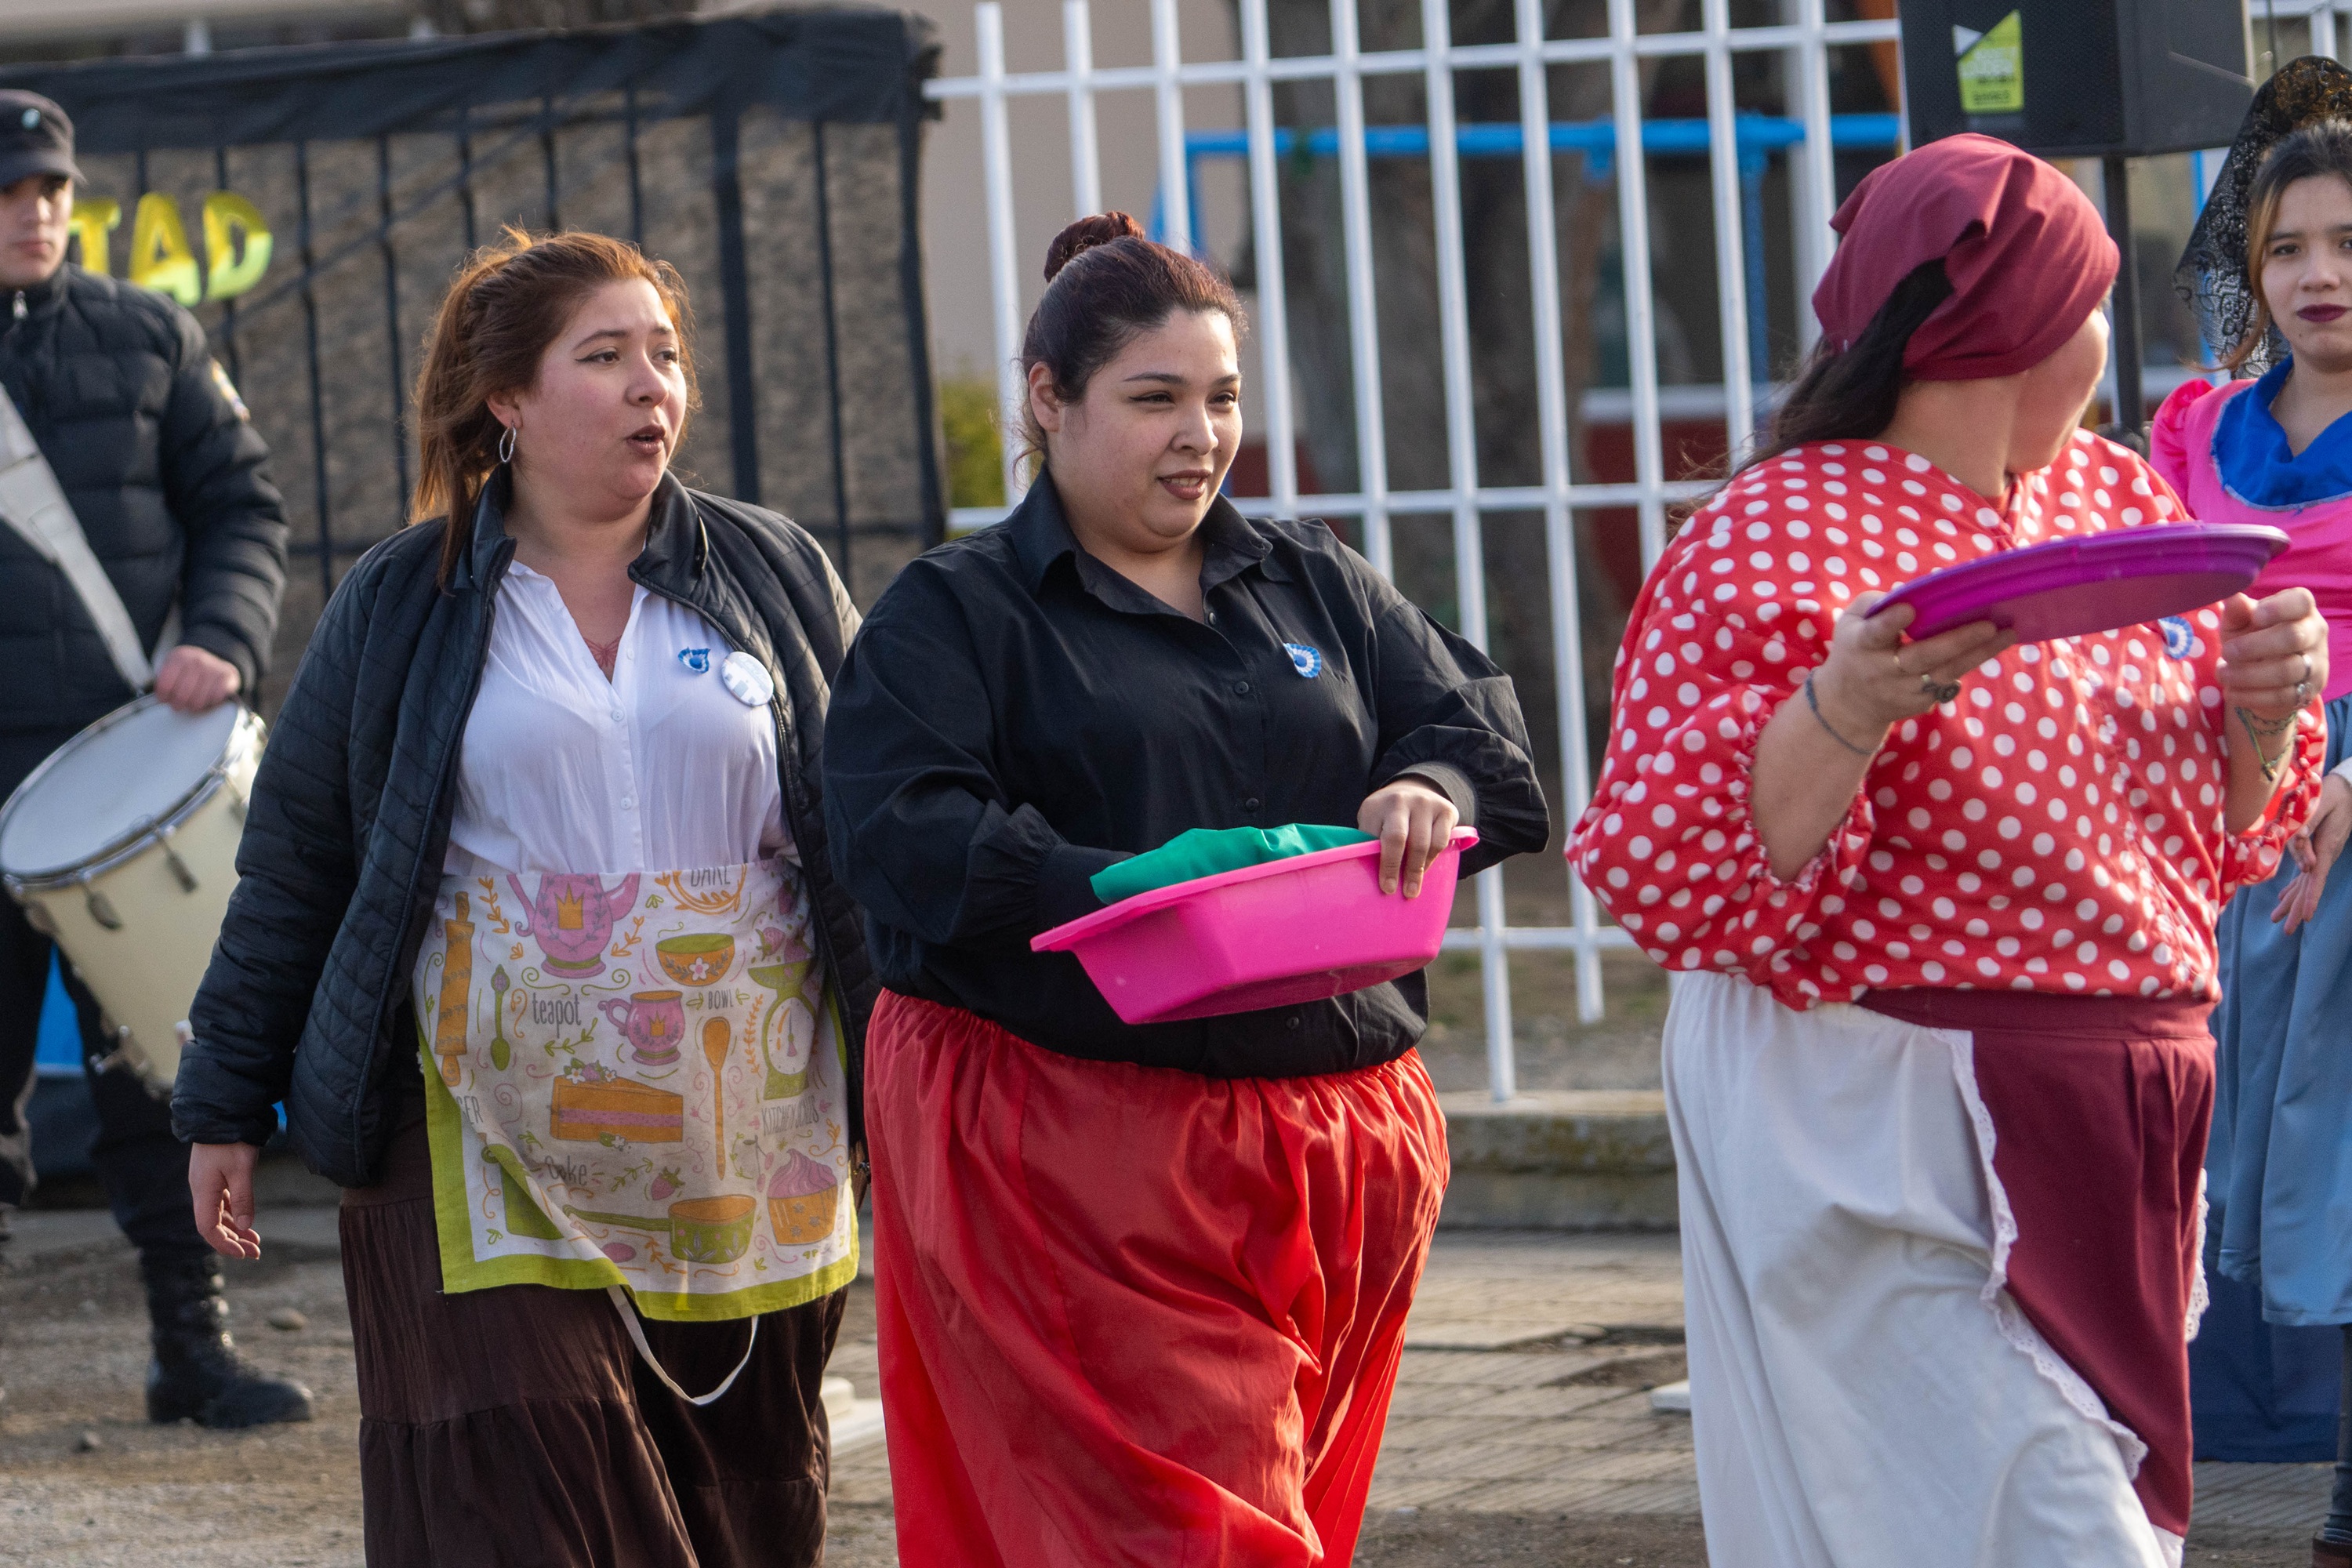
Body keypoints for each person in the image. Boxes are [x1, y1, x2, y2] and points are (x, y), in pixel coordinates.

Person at [1569, 133, 2331, 1566]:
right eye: (2092, 301)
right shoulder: (1769, 534)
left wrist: (2264, 714)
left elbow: (2220, 837)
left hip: (2125, 1111)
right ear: (2021, 326)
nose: (2109, 344)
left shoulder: (2111, 501)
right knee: (2049, 1532)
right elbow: (1686, 876)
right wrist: (1843, 701)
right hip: (1902, 1126)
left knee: (2084, 1519)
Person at [822, 211, 1549, 1566]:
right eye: (1153, 399)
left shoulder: (1310, 575)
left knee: (1287, 1510)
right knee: (1186, 1530)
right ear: (1049, 401)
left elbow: (1489, 750)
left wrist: (1429, 792)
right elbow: (901, 840)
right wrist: (1133, 890)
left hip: (1343, 1140)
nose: (1199, 436)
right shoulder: (957, 613)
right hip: (1081, 1144)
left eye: (1219, 398)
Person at [171, 227, 873, 1566]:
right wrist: (224, 1096)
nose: (650, 387)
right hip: (476, 1140)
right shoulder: (404, 601)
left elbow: (869, 838)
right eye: (603, 358)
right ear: (508, 399)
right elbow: (302, 863)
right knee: (526, 1496)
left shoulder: (773, 577)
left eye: (664, 355)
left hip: (742, 1143)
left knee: (738, 1505)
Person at [0, 89, 302, 1428]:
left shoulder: (147, 336)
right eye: (12, 193)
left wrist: (225, 639)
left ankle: (195, 1353)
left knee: (167, 1075)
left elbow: (242, 503)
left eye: (52, 189)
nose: (39, 213)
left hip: (120, 779)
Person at [2154, 59, 2352, 1567]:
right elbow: (2148, 613)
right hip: (2213, 798)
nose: (2317, 276)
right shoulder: (2190, 427)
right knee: (2210, 1124)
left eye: (2347, 245)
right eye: (2287, 246)